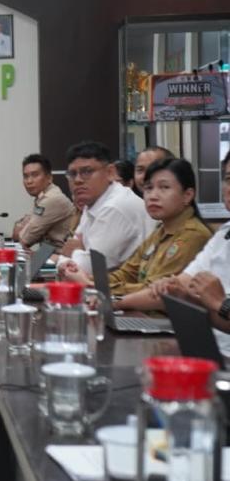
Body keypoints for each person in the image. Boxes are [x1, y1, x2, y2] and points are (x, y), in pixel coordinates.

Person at [58, 158, 211, 313]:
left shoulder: (192, 236)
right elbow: (127, 273)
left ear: (187, 195)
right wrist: (88, 278)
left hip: (164, 322)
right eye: (148, 188)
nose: (153, 196)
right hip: (140, 315)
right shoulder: (160, 231)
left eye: (164, 187)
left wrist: (92, 285)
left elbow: (154, 291)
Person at [153, 151, 230, 354]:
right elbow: (187, 286)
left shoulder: (194, 232)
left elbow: (218, 305)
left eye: (164, 187)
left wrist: (221, 304)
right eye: (229, 179)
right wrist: (182, 295)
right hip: (208, 349)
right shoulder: (224, 234)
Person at [57, 141, 154, 273]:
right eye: (72, 174)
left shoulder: (115, 206)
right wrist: (79, 252)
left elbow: (89, 268)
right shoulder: (94, 202)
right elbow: (64, 260)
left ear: (110, 172)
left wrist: (76, 251)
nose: (78, 180)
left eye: (87, 171)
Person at [12, 154, 75, 249]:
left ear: (49, 178)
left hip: (61, 256)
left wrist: (22, 226)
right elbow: (17, 235)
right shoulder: (42, 197)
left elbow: (24, 239)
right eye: (25, 176)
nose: (29, 181)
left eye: (35, 175)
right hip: (48, 253)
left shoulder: (51, 199)